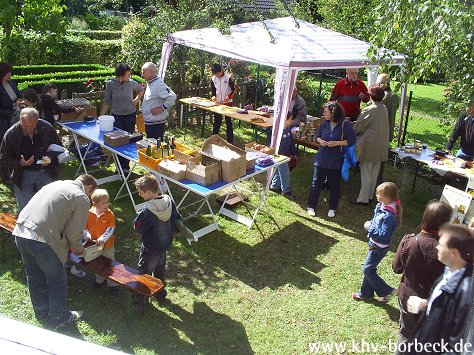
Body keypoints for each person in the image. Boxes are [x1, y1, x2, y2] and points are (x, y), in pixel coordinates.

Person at [12, 174, 97, 328]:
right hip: (41, 240)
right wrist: (80, 249)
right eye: (90, 194)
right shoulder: (81, 197)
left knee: (34, 275)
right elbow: (73, 234)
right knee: (57, 280)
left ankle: (41, 312)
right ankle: (61, 318)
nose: (89, 197)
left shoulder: (56, 184)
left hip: (20, 231)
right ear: (89, 188)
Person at [392, 201, 453, 352]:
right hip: (433, 302)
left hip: (408, 295)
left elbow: (396, 268)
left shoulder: (409, 240)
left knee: (405, 334)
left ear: (425, 218)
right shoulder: (448, 250)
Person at [404, 224, 474, 354]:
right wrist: (426, 303)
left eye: (441, 245)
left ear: (454, 253)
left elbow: (462, 345)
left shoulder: (468, 292)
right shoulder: (450, 271)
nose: (437, 247)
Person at [0, 107, 62, 211]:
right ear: (20, 120)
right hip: (22, 175)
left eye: (32, 126)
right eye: (25, 126)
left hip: (45, 172)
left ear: (37, 121)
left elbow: (58, 145)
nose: (29, 129)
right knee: (25, 210)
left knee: (47, 206)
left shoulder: (46, 127)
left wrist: (49, 157)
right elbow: (3, 159)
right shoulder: (12, 134)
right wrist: (20, 163)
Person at [132, 174, 180, 305]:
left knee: (144, 273)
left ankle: (140, 298)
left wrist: (136, 224)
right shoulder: (169, 202)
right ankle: (160, 293)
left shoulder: (148, 210)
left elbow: (138, 227)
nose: (140, 195)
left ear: (148, 192)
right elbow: (177, 219)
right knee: (160, 271)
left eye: (141, 193)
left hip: (150, 248)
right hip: (164, 246)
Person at [352, 182, 401, 303]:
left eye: (381, 195)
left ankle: (387, 291)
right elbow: (376, 221)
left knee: (367, 270)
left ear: (390, 197)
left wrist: (370, 228)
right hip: (374, 244)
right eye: (377, 194)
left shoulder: (390, 216)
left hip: (379, 248)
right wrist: (371, 223)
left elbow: (384, 235)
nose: (377, 197)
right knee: (369, 269)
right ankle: (366, 294)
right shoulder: (382, 206)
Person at [307, 101, 356, 218]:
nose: (324, 114)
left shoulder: (345, 124)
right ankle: (311, 206)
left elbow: (351, 140)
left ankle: (332, 208)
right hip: (322, 158)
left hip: (335, 160)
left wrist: (336, 143)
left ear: (333, 113)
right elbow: (316, 137)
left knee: (334, 185)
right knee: (316, 183)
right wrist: (320, 141)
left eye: (326, 112)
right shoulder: (324, 123)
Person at [101, 62, 144, 172]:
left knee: (128, 141)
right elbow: (107, 101)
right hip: (117, 116)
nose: (129, 76)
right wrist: (101, 116)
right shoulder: (111, 84)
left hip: (130, 115)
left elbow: (141, 90)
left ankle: (126, 167)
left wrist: (135, 101)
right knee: (118, 141)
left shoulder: (131, 83)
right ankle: (118, 166)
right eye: (128, 73)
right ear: (121, 73)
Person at [351, 85, 390, 206]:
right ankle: (369, 196)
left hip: (369, 145)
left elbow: (359, 127)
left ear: (371, 95)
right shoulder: (383, 108)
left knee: (366, 173)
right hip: (381, 145)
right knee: (374, 172)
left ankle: (362, 198)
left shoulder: (370, 109)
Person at [83, 188, 119, 295]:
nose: (106, 205)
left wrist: (103, 238)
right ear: (94, 203)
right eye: (103, 203)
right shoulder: (89, 213)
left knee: (109, 264)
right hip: (95, 245)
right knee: (97, 263)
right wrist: (88, 235)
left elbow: (110, 229)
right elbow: (85, 227)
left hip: (107, 245)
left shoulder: (109, 214)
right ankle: (100, 280)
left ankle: (112, 284)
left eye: (107, 202)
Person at [140, 62, 176, 141]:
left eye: (143, 72)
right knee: (152, 147)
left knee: (155, 148)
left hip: (156, 125)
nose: (142, 75)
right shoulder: (151, 82)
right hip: (151, 123)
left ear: (149, 72)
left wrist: (161, 108)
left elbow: (172, 96)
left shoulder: (158, 84)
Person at [269, 113, 296, 200]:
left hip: (285, 155)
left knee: (278, 170)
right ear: (285, 119)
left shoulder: (288, 130)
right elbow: (272, 143)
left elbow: (291, 143)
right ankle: (286, 191)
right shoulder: (277, 131)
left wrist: (293, 153)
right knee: (285, 172)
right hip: (279, 156)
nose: (291, 121)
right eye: (290, 119)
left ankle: (274, 186)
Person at [210, 63, 236, 143]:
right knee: (217, 121)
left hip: (228, 103)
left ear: (221, 70)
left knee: (228, 122)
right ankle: (215, 138)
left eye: (218, 74)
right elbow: (213, 91)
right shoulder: (213, 79)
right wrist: (213, 96)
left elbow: (234, 90)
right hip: (218, 103)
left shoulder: (228, 78)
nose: (217, 76)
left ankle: (230, 140)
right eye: (215, 74)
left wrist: (228, 97)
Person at [0, 62, 21, 142]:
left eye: (10, 72)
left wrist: (20, 101)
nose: (10, 74)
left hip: (17, 116)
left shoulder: (12, 83)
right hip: (4, 122)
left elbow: (18, 96)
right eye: (7, 73)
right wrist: (12, 112)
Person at [376, 73, 399, 142]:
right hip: (389, 129)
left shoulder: (382, 96)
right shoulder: (395, 95)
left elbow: (377, 111)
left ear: (380, 83)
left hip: (380, 130)